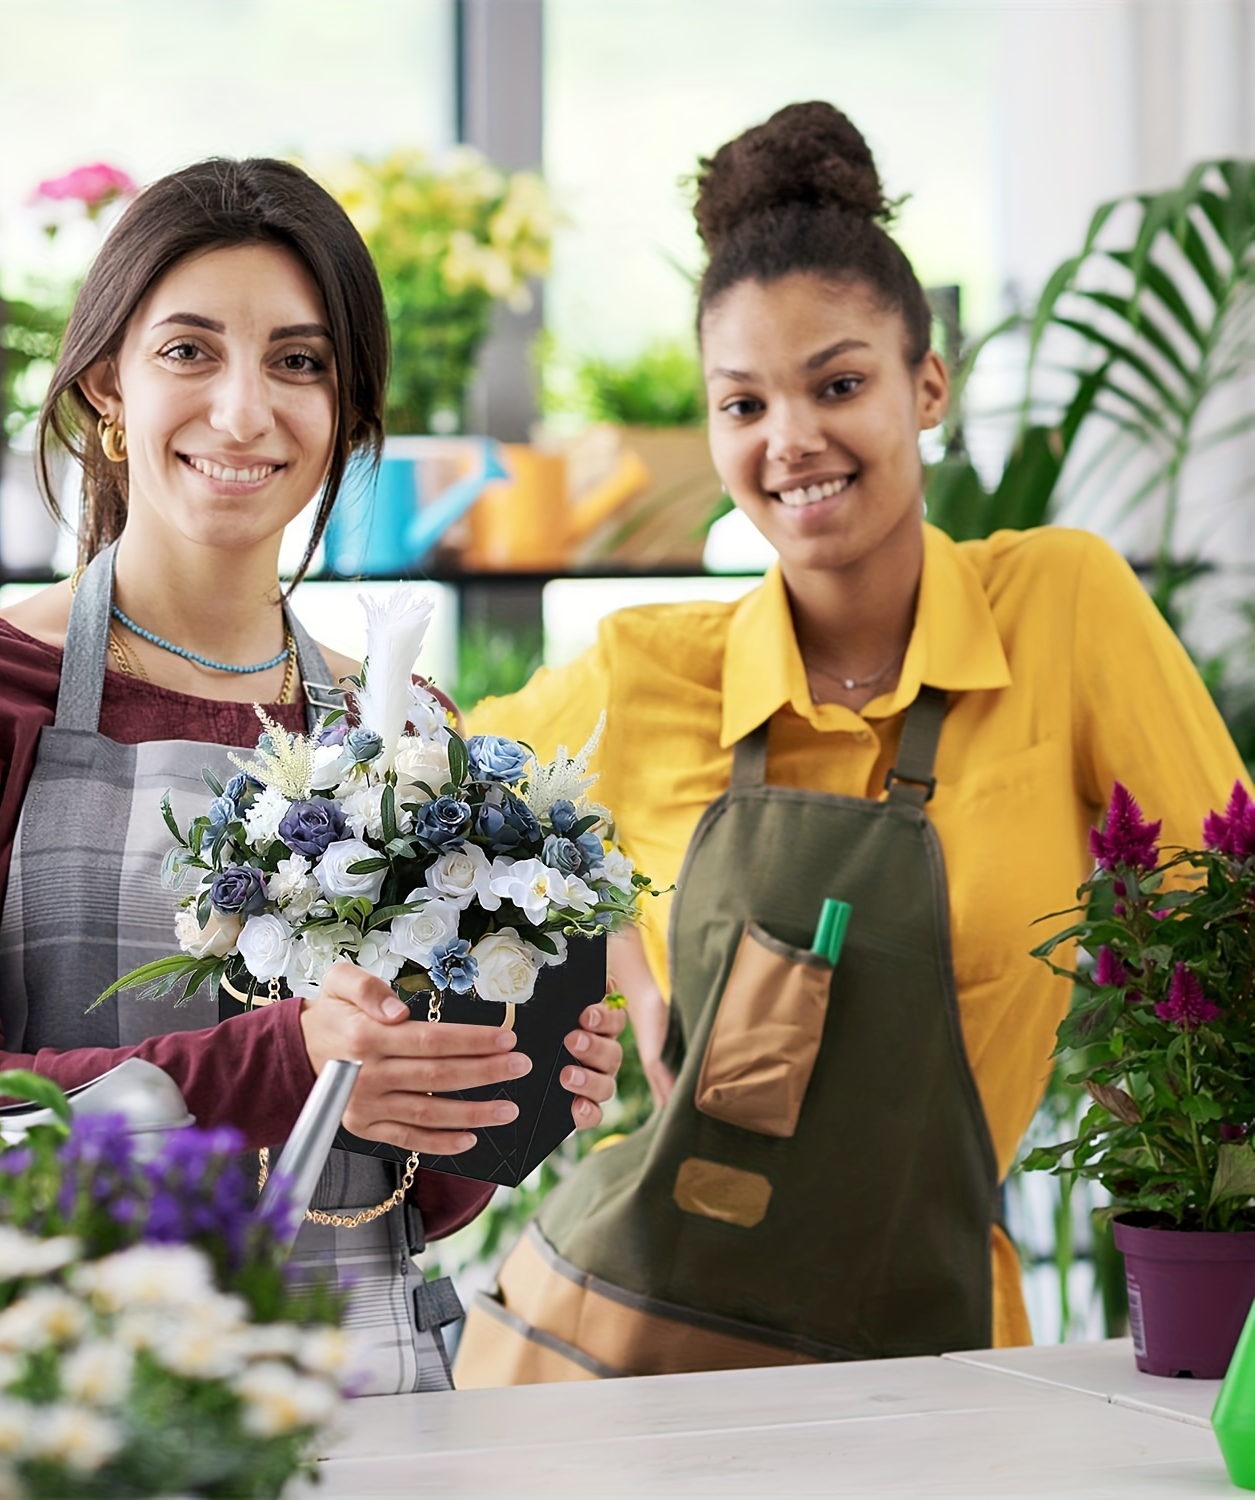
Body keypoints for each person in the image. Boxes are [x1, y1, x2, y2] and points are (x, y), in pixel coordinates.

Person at [452, 101, 1248, 1386]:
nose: (791, 440)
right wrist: (620, 962)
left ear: (928, 386)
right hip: (633, 1355)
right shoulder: (651, 668)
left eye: (838, 384)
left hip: (942, 1353)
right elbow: (408, 778)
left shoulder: (1059, 606)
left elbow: (1229, 923)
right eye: (743, 403)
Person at [0, 156, 625, 1396]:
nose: (246, 412)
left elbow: (415, 1200)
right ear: (108, 383)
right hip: (61, 1406)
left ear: (348, 409)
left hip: (366, 1389)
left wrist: (499, 1097)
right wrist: (285, 1065)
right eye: (190, 351)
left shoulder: (404, 718)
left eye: (300, 362)